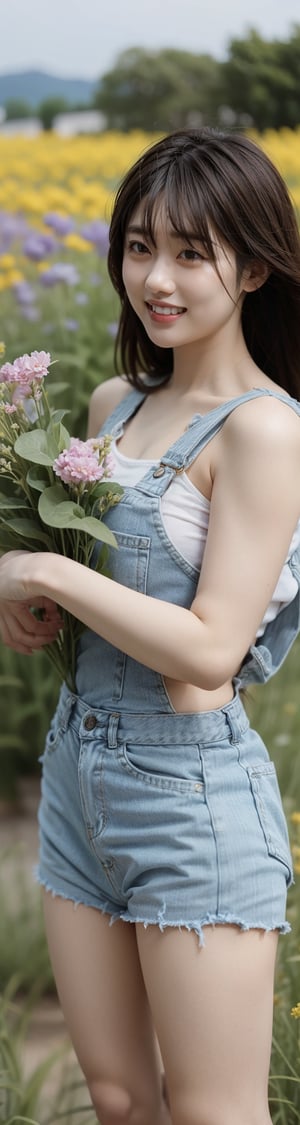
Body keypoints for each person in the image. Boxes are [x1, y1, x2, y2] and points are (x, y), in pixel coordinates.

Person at [1, 128, 300, 1125]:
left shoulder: (265, 429)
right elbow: (110, 595)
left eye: (189, 252)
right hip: (79, 774)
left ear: (254, 265)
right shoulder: (113, 402)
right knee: (123, 1099)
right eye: (137, 247)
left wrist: (48, 567)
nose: (155, 279)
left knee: (212, 1112)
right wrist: (38, 606)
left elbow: (213, 649)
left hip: (192, 795)